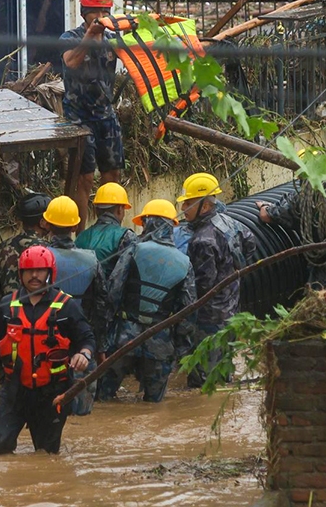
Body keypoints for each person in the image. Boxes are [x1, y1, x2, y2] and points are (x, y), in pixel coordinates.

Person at [0, 246, 96, 455]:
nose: (34, 275)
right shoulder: (7, 305)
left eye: (40, 270)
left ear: (50, 272)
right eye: (29, 271)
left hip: (52, 394)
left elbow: (86, 339)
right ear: (21, 274)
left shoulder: (66, 306)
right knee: (2, 449)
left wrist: (84, 354)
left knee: (46, 455)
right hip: (14, 392)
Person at [96, 200, 196, 403]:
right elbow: (187, 310)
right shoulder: (184, 262)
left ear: (147, 223)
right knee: (154, 405)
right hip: (160, 340)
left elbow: (114, 291)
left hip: (124, 338)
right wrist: (179, 347)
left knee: (103, 399)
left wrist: (103, 336)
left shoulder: (133, 250)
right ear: (171, 226)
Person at [178, 172, 257, 389]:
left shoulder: (202, 240)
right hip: (231, 310)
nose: (184, 207)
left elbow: (203, 286)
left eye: (189, 202)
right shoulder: (230, 223)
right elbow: (251, 244)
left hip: (209, 318)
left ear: (204, 206)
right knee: (224, 369)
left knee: (203, 382)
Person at [60, 0, 124, 228]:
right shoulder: (70, 37)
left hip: (106, 115)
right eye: (94, 12)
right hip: (79, 118)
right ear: (83, 13)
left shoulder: (112, 39)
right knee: (84, 179)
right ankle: (79, 234)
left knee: (112, 175)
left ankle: (109, 231)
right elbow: (71, 62)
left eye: (104, 11)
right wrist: (90, 35)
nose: (99, 17)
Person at [42, 195, 108, 416]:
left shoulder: (38, 258)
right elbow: (101, 306)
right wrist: (100, 348)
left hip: (46, 341)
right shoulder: (91, 259)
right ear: (75, 225)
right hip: (82, 342)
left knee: (47, 409)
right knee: (82, 411)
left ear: (47, 224)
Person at [0, 192, 51, 306]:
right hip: (32, 313)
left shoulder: (3, 247)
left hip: (6, 311)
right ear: (42, 223)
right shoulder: (46, 249)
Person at [75, 182, 138, 278]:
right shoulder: (126, 236)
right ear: (120, 209)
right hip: (109, 292)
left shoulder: (81, 236)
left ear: (96, 211)